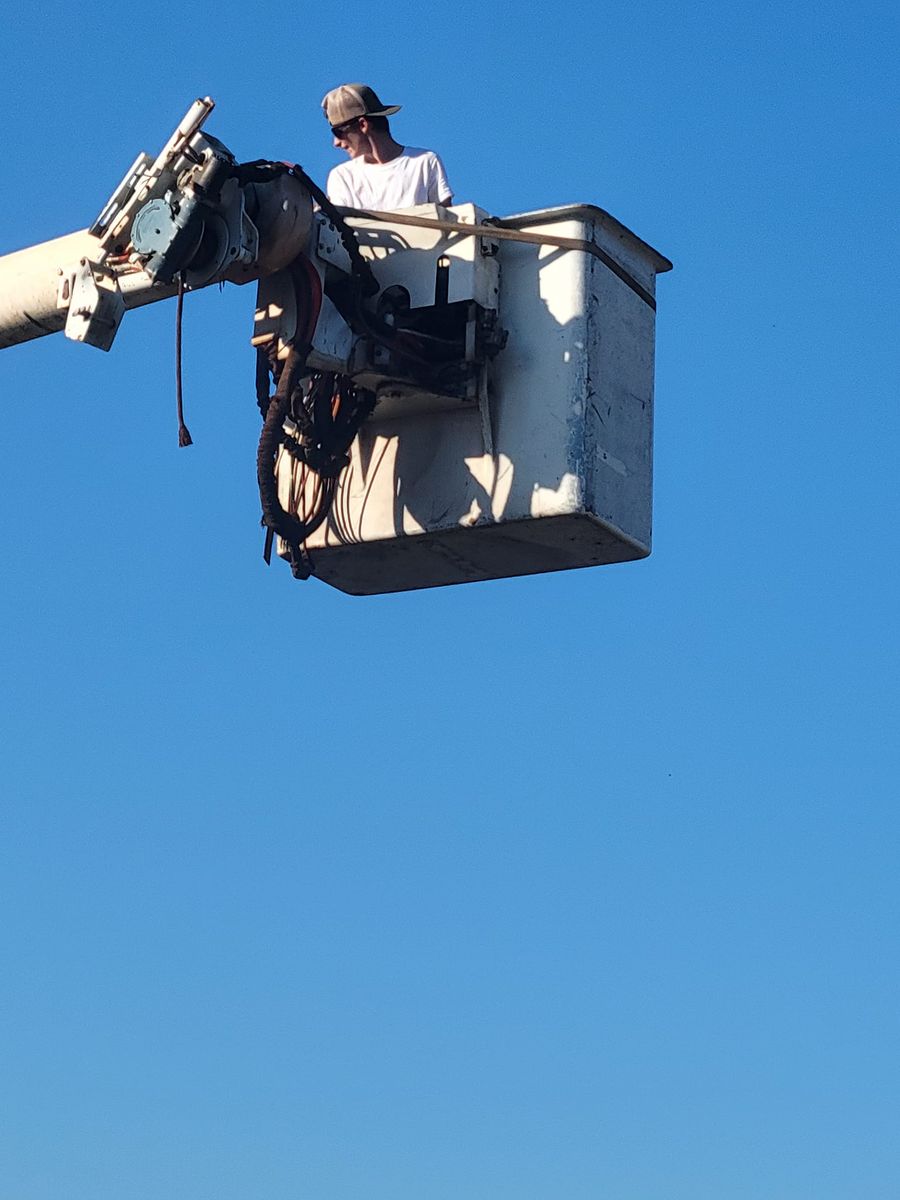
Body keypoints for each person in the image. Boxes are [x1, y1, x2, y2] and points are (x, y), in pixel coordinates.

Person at [321, 83, 452, 211]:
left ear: (363, 125)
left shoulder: (424, 162)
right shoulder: (342, 177)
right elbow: (338, 230)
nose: (336, 142)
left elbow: (448, 224)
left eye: (338, 132)